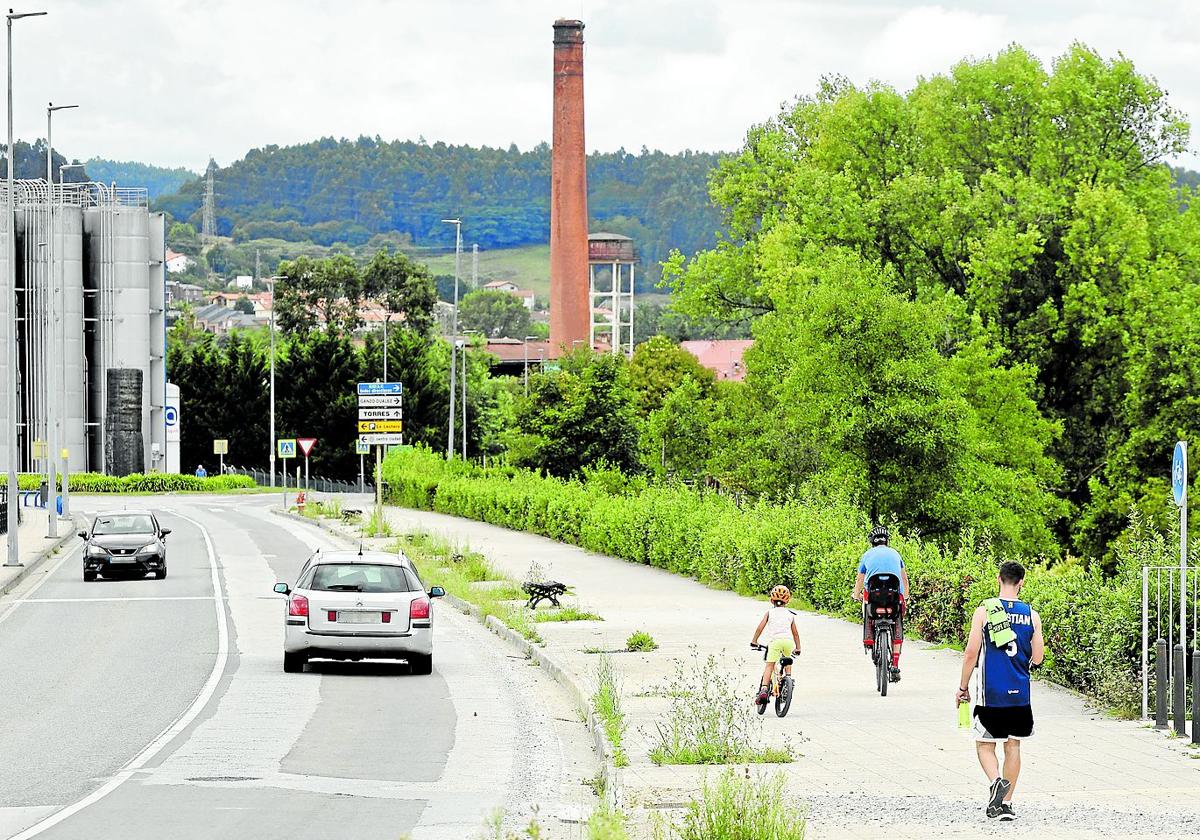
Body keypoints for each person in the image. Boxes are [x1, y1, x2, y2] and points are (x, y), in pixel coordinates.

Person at [955, 561, 1045, 822]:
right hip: (1020, 695)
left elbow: (971, 653)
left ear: (999, 579)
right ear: (1021, 583)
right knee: (1013, 746)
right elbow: (1038, 658)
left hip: (989, 693)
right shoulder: (1032, 615)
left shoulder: (984, 611)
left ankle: (996, 781)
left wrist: (962, 687)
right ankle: (1006, 804)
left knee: (984, 744)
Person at [851, 524, 909, 681]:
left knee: (867, 607)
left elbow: (860, 579)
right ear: (886, 541)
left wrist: (855, 595)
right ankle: (895, 664)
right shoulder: (895, 554)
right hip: (894, 598)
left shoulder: (867, 555)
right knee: (897, 621)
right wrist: (906, 596)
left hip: (874, 600)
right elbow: (903, 578)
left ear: (872, 541)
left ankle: (869, 636)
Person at [750, 584, 801, 705]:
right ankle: (788, 681)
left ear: (771, 600)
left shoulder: (769, 613)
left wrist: (754, 641)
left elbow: (759, 628)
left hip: (775, 643)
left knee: (769, 666)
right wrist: (798, 647)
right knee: (787, 661)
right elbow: (796, 634)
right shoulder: (790, 615)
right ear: (787, 601)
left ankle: (764, 689)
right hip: (788, 642)